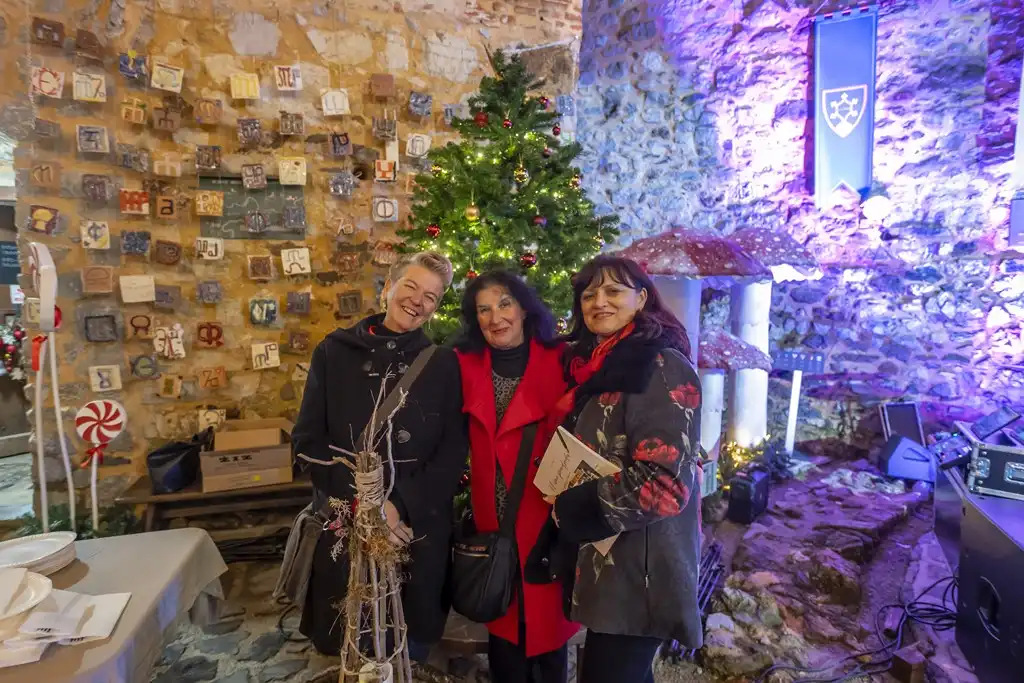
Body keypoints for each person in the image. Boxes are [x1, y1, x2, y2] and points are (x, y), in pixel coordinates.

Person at [291, 251, 467, 659]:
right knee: (352, 647)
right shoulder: (333, 352)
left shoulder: (443, 365)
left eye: (431, 296)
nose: (418, 301)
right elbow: (307, 442)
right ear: (388, 287)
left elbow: (452, 452)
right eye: (411, 287)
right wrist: (366, 505)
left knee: (408, 649)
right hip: (347, 521)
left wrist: (398, 506)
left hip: (414, 529)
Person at [547, 254, 703, 683]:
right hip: (612, 561)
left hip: (642, 570)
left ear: (642, 298)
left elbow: (665, 484)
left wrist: (572, 507)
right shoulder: (600, 366)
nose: (599, 301)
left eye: (614, 291)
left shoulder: (659, 364)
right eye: (589, 294)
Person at [453, 271, 579, 683]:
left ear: (524, 308)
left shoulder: (563, 360)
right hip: (495, 524)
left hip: (548, 519)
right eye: (483, 310)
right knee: (505, 637)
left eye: (504, 304)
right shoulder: (462, 365)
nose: (496, 318)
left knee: (548, 636)